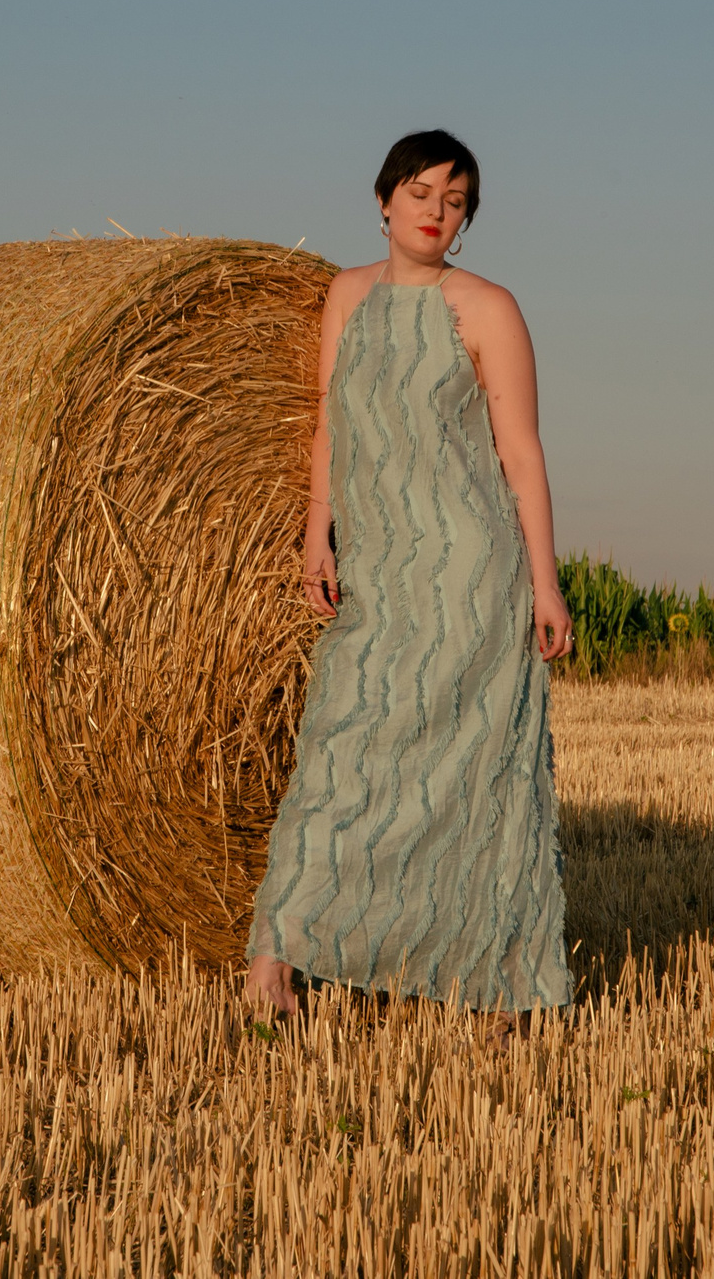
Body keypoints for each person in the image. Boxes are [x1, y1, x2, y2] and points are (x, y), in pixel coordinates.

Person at [244, 128, 575, 1026]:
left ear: (465, 220)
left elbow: (521, 454)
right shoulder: (346, 296)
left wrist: (544, 584)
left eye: (455, 201)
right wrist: (320, 534)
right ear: (386, 199)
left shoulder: (488, 309)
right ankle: (274, 955)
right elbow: (330, 426)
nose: (436, 212)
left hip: (470, 570)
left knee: (468, 773)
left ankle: (492, 972)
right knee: (340, 753)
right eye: (422, 193)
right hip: (380, 570)